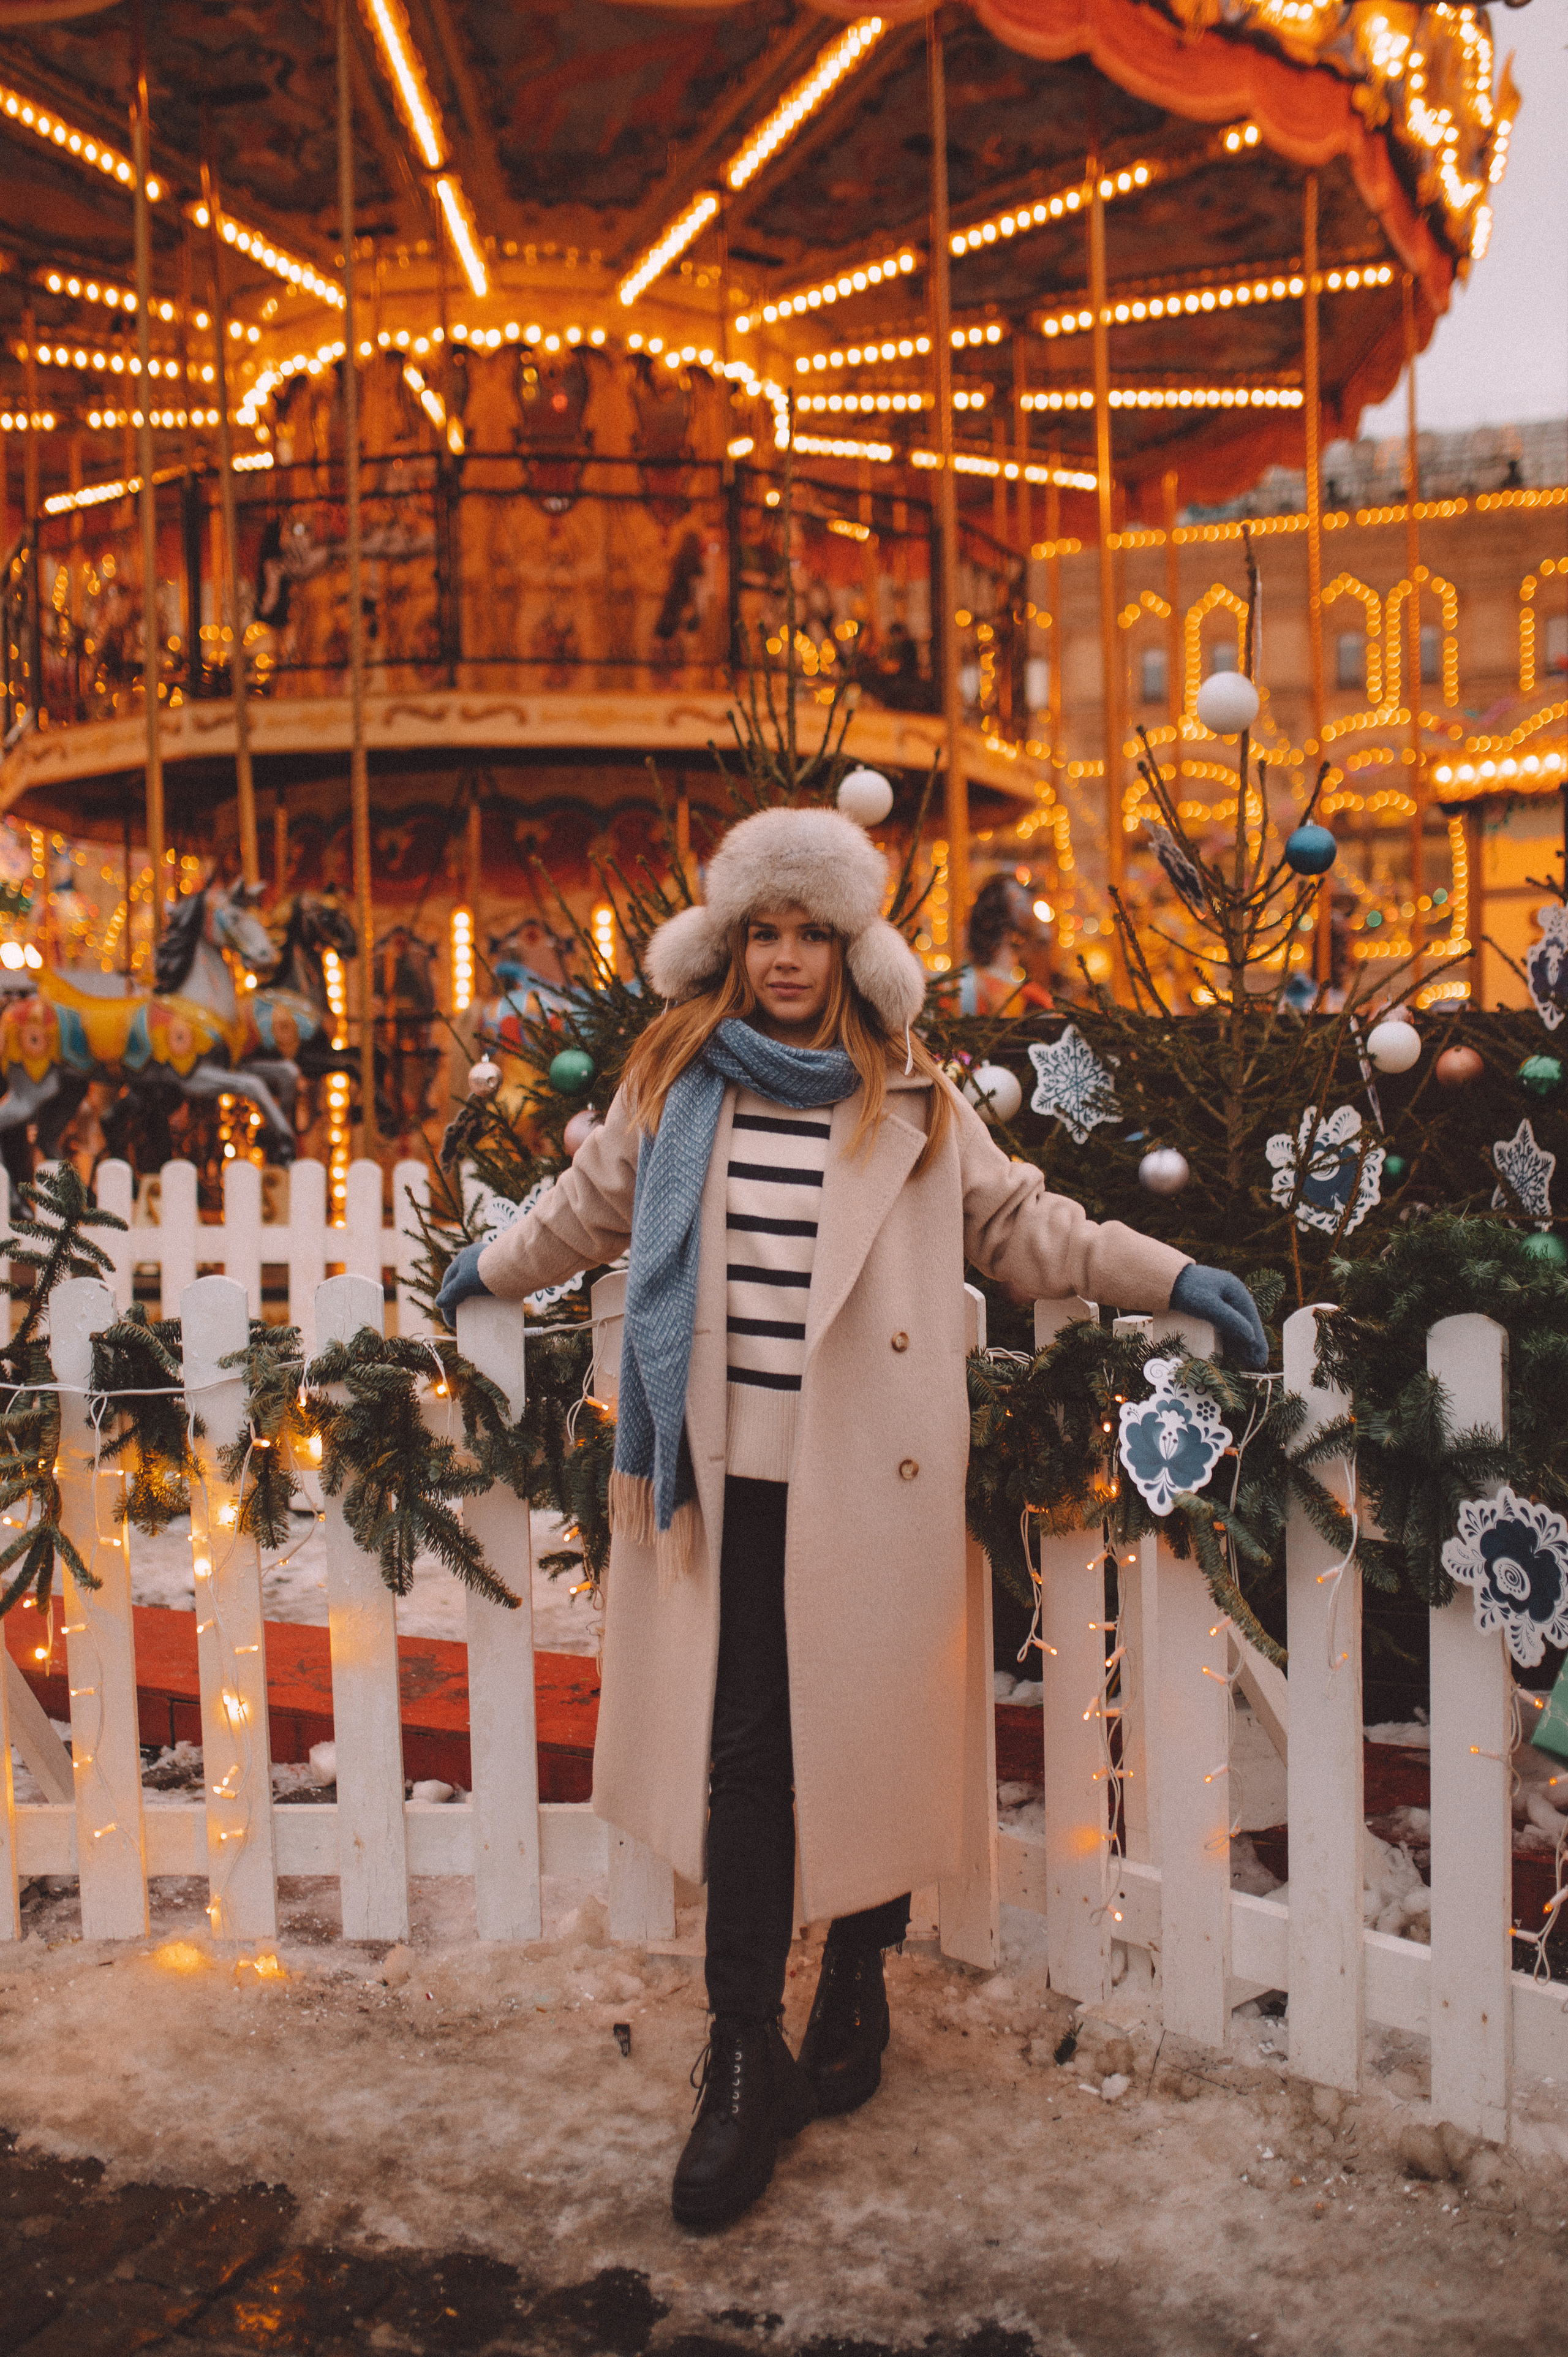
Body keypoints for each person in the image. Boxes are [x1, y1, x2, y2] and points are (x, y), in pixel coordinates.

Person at [437, 804, 1265, 2231]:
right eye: (761, 931)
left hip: (868, 1477)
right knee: (751, 1751)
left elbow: (1023, 1227)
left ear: (847, 947)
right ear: (728, 943)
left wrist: (1167, 1270)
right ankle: (741, 2051)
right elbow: (584, 1211)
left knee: (868, 1738)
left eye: (808, 933)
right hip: (726, 1480)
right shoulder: (675, 1083)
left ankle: (860, 1986)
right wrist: (487, 1269)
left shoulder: (911, 1100)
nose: (782, 959)